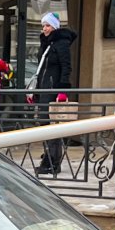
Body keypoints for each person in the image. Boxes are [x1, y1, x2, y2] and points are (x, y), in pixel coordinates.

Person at [34, 13, 77, 175]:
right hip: (44, 89)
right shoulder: (46, 43)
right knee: (44, 123)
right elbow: (41, 70)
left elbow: (66, 67)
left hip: (53, 90)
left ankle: (52, 162)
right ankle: (49, 157)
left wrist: (62, 91)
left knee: (52, 126)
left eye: (48, 25)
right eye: (43, 25)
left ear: (55, 27)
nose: (45, 28)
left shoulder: (61, 43)